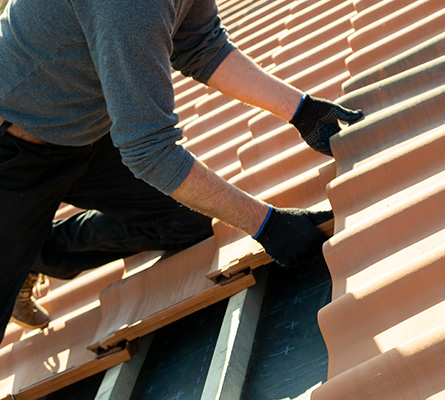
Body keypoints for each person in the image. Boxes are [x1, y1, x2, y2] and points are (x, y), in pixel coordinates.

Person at [0, 0, 363, 342]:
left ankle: (37, 252)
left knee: (187, 220)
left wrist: (301, 111)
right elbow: (150, 151)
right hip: (12, 148)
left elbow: (200, 45)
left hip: (81, 129)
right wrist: (267, 225)